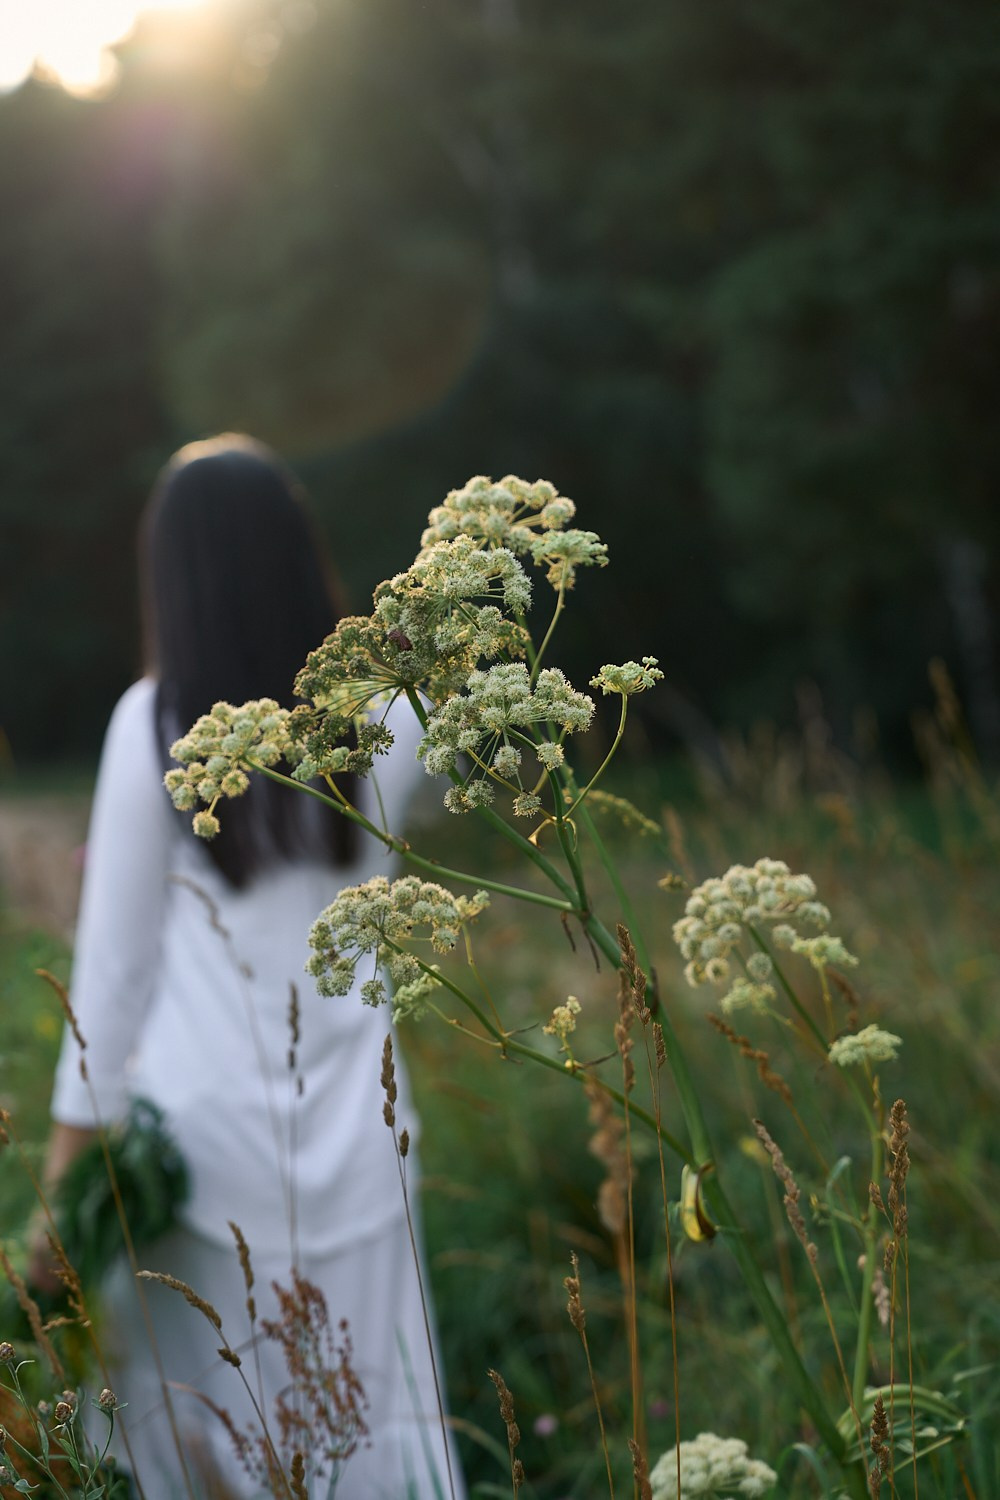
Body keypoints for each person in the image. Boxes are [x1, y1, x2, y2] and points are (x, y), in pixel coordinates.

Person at [36, 435, 465, 1499]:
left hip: (201, 1160)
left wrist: (60, 1188)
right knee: (371, 1418)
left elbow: (112, 979)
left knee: (208, 1443)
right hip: (367, 1144)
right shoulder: (386, 717)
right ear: (296, 552)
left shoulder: (155, 727)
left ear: (171, 578)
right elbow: (477, 762)